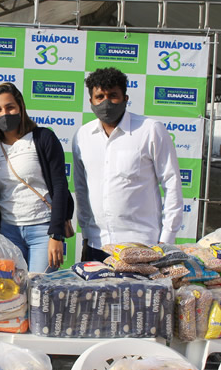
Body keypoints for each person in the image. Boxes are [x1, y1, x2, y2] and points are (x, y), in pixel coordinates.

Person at [73, 67, 183, 262]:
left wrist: (166, 241)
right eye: (99, 97)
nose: (106, 102)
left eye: (113, 96)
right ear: (91, 102)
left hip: (142, 245)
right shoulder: (82, 136)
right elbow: (81, 189)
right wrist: (87, 234)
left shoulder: (150, 130)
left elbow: (171, 183)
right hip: (98, 245)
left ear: (125, 98)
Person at [0, 82, 73, 272]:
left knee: (38, 293)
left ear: (20, 108)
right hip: (8, 232)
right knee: (11, 295)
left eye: (10, 107)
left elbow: (59, 186)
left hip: (43, 230)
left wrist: (56, 235)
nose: (5, 114)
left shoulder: (43, 138)